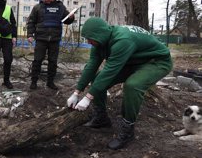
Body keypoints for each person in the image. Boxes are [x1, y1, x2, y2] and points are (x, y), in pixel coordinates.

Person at [66, 17, 172, 150]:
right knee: (97, 78)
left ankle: (128, 130)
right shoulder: (99, 43)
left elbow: (110, 71)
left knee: (133, 85)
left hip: (155, 61)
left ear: (99, 34)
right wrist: (77, 92)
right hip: (132, 61)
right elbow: (91, 66)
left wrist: (88, 98)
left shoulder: (122, 40)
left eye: (90, 38)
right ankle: (101, 118)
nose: (89, 42)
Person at [27, 0, 74, 90]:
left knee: (53, 62)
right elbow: (31, 22)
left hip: (54, 40)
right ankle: (34, 82)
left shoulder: (60, 7)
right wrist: (30, 35)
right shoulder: (37, 8)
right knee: (37, 60)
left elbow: (67, 20)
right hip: (41, 39)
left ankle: (50, 82)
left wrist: (71, 17)